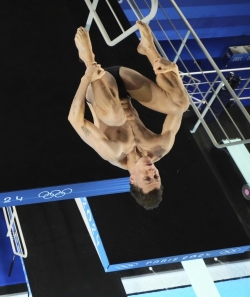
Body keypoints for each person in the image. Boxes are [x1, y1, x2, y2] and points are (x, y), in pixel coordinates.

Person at [67, 21, 190, 210]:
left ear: (132, 179)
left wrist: (86, 78)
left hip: (99, 88)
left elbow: (74, 119)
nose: (152, 171)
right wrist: (176, 73)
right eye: (156, 176)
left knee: (115, 118)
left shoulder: (113, 152)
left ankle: (88, 58)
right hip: (125, 84)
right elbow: (179, 109)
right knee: (181, 104)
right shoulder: (161, 147)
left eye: (147, 178)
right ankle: (149, 49)